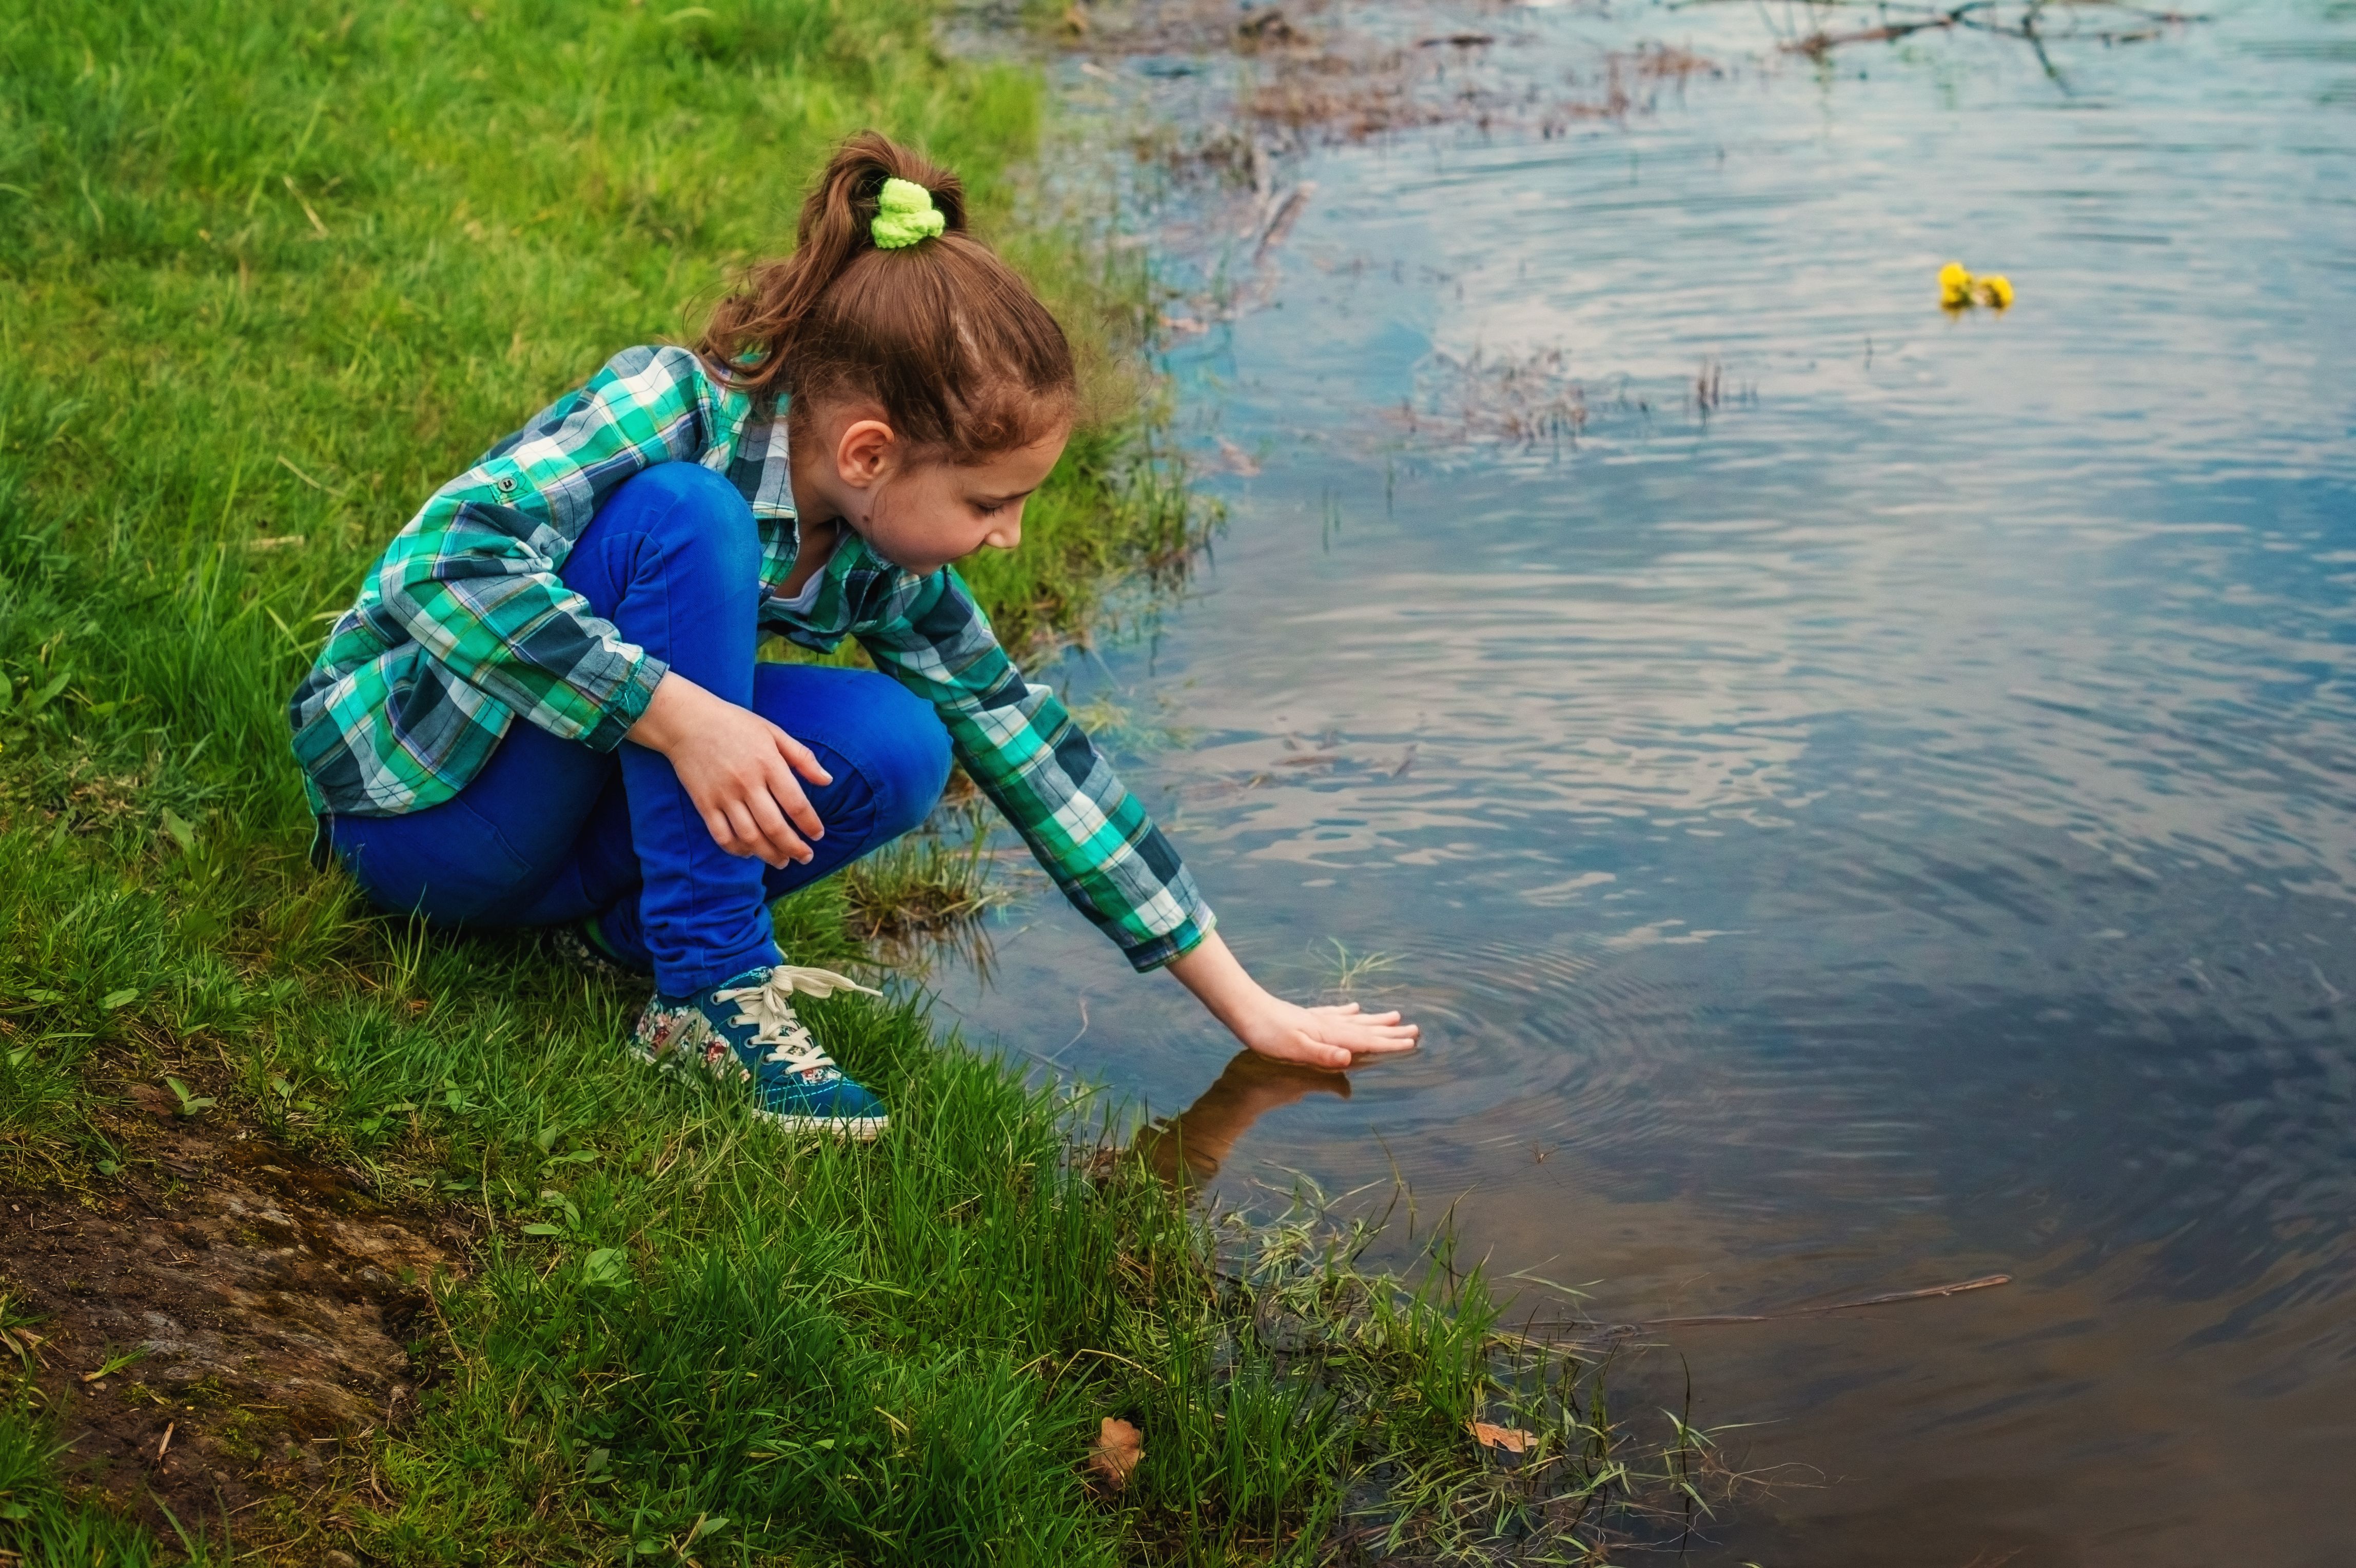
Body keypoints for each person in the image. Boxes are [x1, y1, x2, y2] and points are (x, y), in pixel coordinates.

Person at [288, 132, 1419, 1140]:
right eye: (988, 504)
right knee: (690, 522)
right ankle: (710, 992)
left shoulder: (882, 556)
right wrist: (677, 715)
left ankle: (630, 942)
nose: (1010, 537)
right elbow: (442, 566)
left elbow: (1029, 748)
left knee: (905, 740)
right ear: (870, 455)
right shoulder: (672, 408)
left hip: (553, 860)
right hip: (428, 818)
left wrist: (1246, 1002)